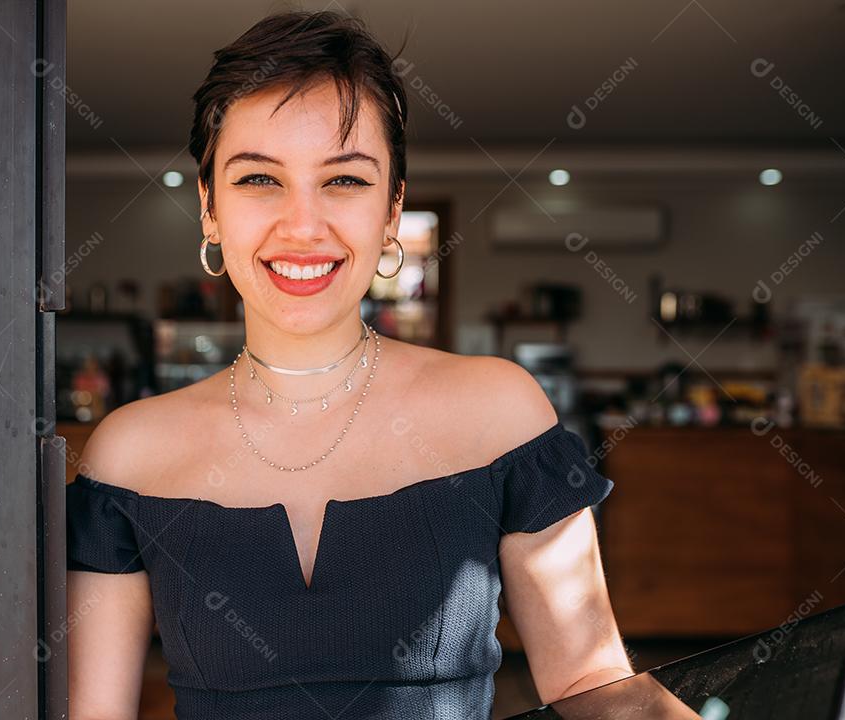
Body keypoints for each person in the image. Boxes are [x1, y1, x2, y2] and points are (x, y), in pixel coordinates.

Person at [67, 10, 633, 719]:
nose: (303, 226)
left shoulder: (500, 413)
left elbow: (595, 688)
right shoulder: (128, 454)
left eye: (344, 182)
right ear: (209, 207)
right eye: (258, 180)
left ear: (392, 208)